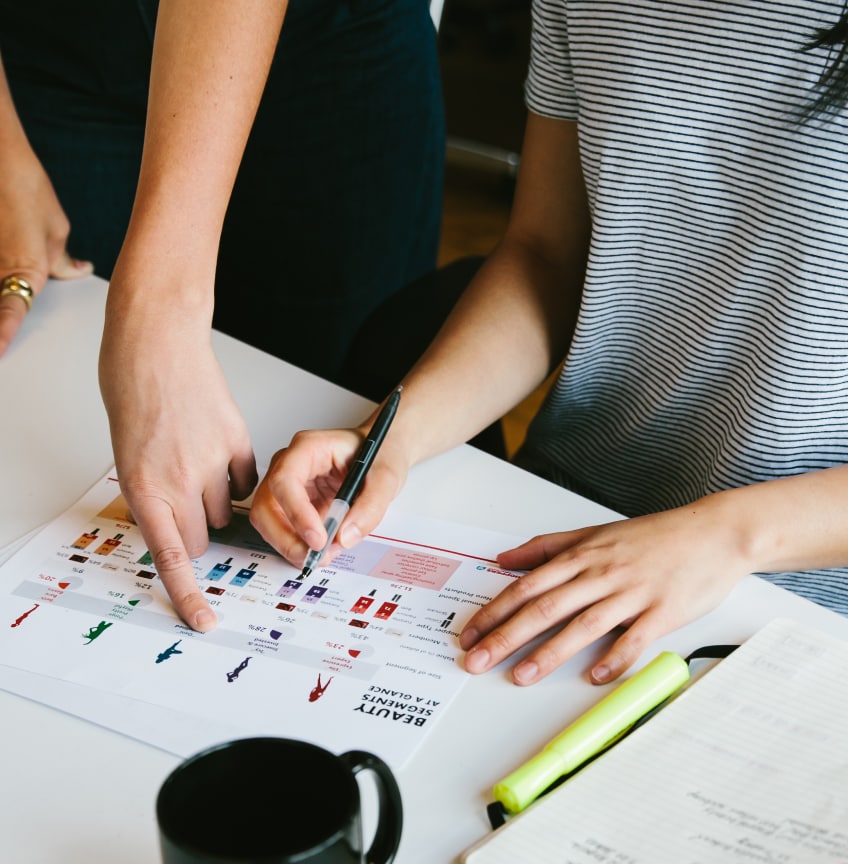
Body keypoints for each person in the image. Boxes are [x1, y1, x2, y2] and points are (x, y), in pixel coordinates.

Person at [249, 0, 848, 687]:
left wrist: (728, 535)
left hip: (799, 593)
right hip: (560, 518)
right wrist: (391, 440)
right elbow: (545, 257)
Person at [0, 0, 443, 628]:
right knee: (69, 403)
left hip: (322, 40)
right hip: (50, 41)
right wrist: (6, 161)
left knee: (317, 396)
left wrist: (155, 317)